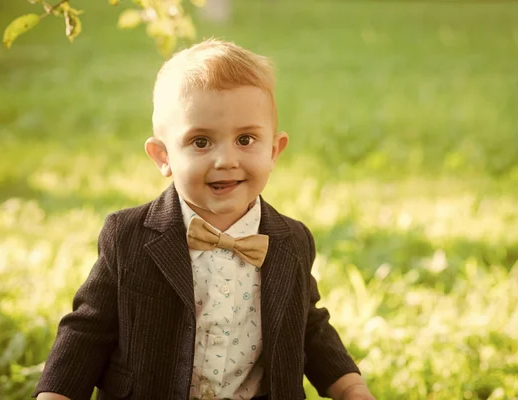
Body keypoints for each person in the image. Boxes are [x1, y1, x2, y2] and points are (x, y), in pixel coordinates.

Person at [34, 39, 376, 400]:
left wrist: (351, 387)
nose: (226, 159)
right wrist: (56, 394)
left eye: (246, 139)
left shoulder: (291, 240)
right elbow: (88, 331)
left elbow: (309, 329)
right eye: (201, 142)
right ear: (163, 156)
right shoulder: (128, 237)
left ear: (274, 151)